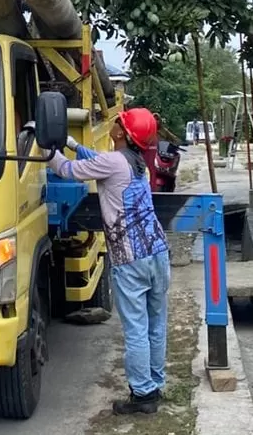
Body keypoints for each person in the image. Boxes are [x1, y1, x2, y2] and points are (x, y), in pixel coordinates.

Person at [47, 107, 170, 415]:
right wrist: (73, 144)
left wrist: (46, 144)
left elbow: (68, 171)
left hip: (131, 259)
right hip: (157, 252)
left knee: (136, 329)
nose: (114, 123)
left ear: (122, 134)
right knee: (156, 324)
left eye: (119, 122)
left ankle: (142, 396)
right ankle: (154, 384)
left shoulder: (115, 161)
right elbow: (96, 162)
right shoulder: (137, 161)